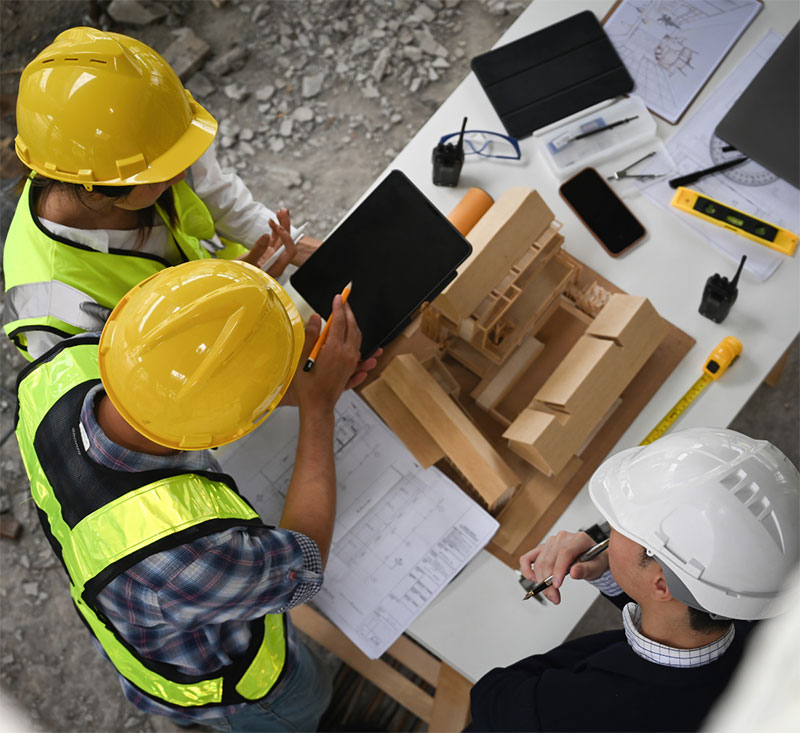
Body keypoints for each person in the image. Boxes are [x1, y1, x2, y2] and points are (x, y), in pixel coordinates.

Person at [14, 258, 378, 730]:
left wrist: (267, 381)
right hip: (241, 691)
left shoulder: (64, 368)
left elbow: (178, 372)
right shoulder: (184, 560)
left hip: (128, 615)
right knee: (310, 704)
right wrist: (318, 406)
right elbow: (304, 567)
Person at [3, 26, 320, 361]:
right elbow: (136, 399)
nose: (181, 175)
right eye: (157, 178)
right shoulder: (53, 308)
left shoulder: (148, 135)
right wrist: (226, 301)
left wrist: (301, 249)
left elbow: (218, 196)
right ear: (92, 188)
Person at [467, 428, 800, 732]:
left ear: (661, 584)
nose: (608, 529)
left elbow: (490, 696)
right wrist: (616, 571)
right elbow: (674, 611)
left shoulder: (572, 708)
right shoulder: (755, 629)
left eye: (623, 527)